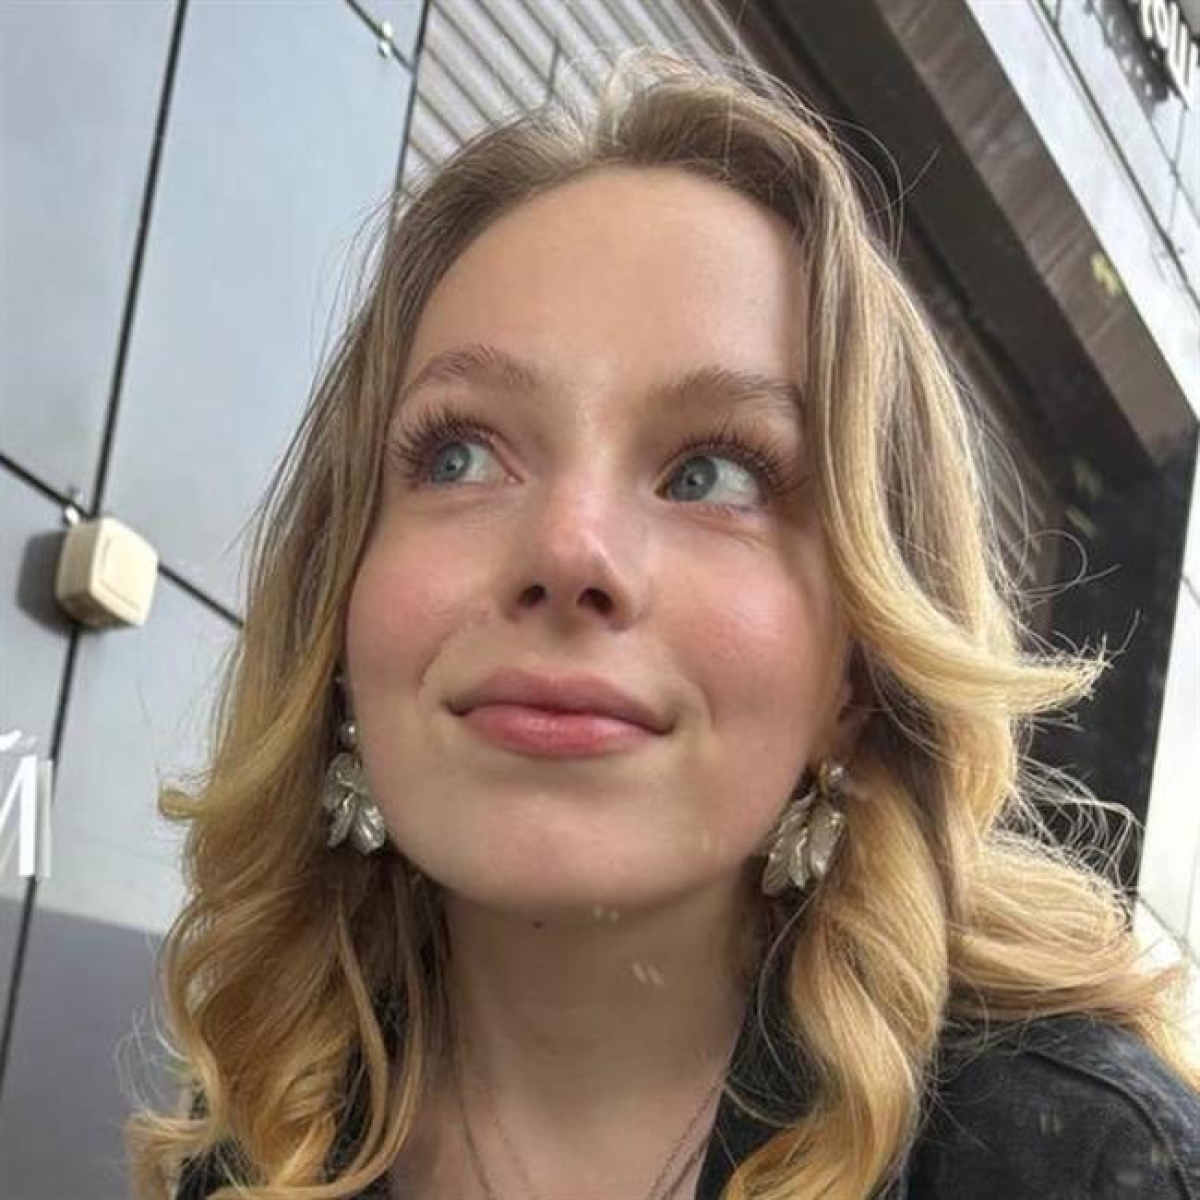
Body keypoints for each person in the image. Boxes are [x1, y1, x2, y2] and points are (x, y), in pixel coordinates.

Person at [125, 48, 1200, 1200]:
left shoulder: (1082, 1164)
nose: (567, 549)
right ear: (338, 603)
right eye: (460, 454)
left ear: (857, 675)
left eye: (713, 475)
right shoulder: (255, 1139)